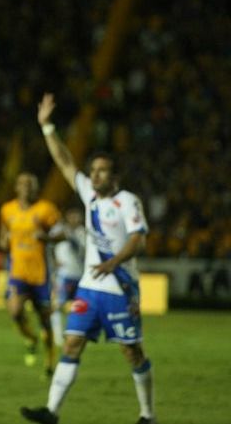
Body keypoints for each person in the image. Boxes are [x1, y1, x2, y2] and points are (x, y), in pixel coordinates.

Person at [20, 93, 156, 424]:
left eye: (103, 171)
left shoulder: (127, 202)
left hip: (120, 289)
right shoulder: (89, 195)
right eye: (93, 170)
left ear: (115, 177)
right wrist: (47, 127)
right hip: (88, 289)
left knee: (131, 352)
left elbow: (138, 239)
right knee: (71, 346)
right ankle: (51, 411)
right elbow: (65, 162)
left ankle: (147, 414)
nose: (95, 176)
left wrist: (112, 263)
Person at [0, 172, 61, 377]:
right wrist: (4, 242)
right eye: (23, 184)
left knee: (45, 319)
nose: (27, 187)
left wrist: (47, 237)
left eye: (31, 184)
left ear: (36, 188)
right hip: (18, 272)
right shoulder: (7, 210)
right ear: (17, 187)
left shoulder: (46, 209)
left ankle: (50, 361)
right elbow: (3, 237)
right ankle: (31, 339)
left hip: (41, 274)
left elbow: (62, 233)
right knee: (15, 312)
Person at [49, 207, 85, 347]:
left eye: (78, 216)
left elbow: (83, 251)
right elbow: (49, 246)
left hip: (79, 274)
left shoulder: (83, 232)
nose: (75, 219)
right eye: (73, 215)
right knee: (58, 305)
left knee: (79, 307)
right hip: (63, 275)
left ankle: (76, 335)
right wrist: (53, 261)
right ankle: (58, 337)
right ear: (67, 216)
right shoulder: (58, 230)